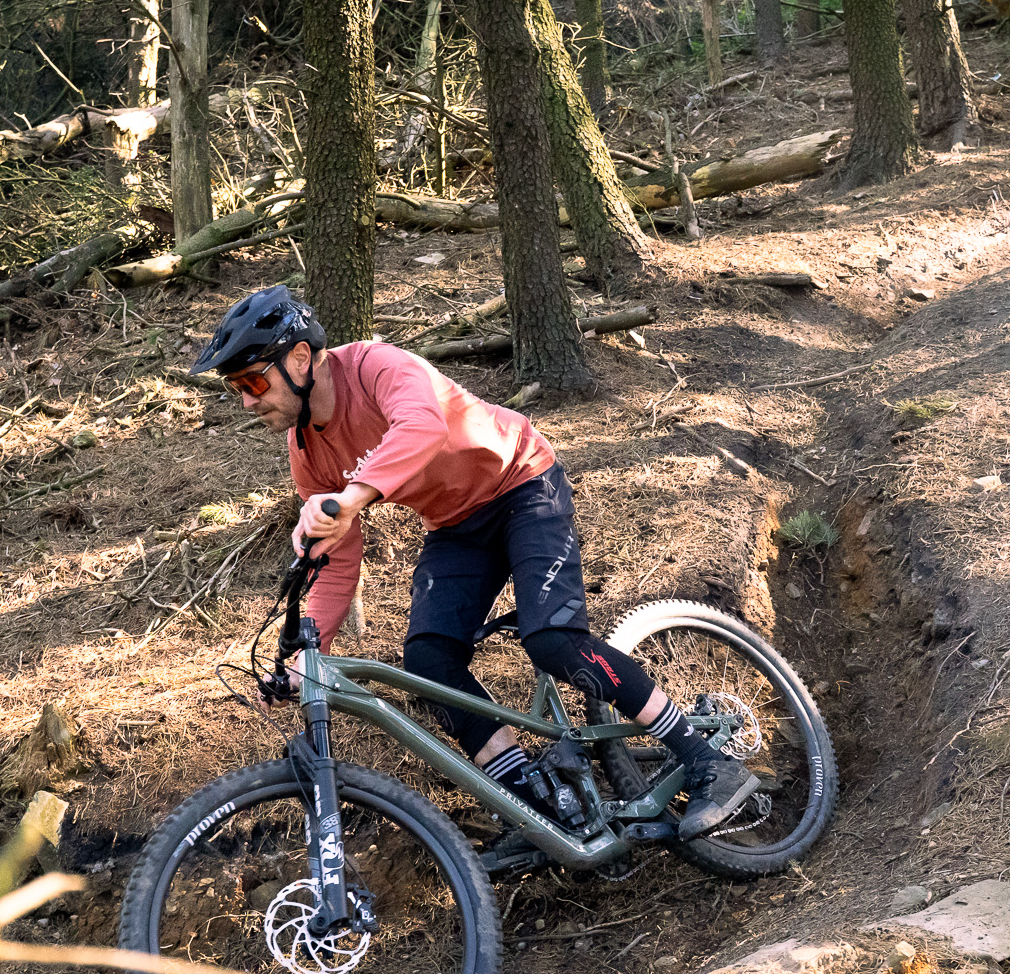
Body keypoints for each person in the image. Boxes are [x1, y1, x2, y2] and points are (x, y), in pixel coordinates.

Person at [192, 286, 757, 841]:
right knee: (429, 661)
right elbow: (337, 562)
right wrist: (304, 655)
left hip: (522, 485)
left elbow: (423, 425)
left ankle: (707, 759)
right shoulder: (307, 453)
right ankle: (535, 799)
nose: (247, 402)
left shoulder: (376, 366)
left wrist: (352, 497)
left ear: (299, 358)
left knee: (553, 640)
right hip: (455, 526)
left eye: (253, 382)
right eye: (237, 388)